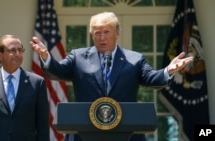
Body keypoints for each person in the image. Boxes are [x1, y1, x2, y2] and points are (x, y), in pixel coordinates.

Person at [30, 12, 193, 141]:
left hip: (127, 134)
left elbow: (152, 79)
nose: (101, 37)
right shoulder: (78, 57)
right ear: (92, 35)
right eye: (97, 33)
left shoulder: (134, 59)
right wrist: (46, 58)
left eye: (106, 32)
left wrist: (169, 71)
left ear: (117, 33)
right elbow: (57, 71)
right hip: (85, 133)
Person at [0, 35, 50, 141]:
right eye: (13, 50)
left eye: (20, 50)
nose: (18, 54)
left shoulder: (37, 83)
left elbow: (43, 126)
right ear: (0, 55)